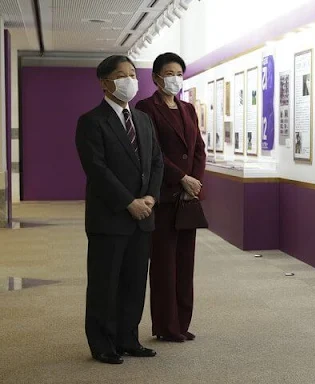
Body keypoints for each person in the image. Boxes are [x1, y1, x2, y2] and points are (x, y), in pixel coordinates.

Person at [75, 55, 164, 364]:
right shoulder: (91, 121)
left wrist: (150, 198)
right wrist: (129, 202)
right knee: (105, 283)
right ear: (105, 82)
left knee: (134, 282)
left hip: (143, 218)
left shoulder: (143, 119)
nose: (130, 80)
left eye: (132, 74)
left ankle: (129, 339)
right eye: (122, 75)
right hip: (110, 217)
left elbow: (156, 162)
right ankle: (102, 343)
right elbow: (97, 170)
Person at [136, 52, 206, 343]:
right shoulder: (145, 108)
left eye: (179, 73)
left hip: (188, 198)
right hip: (164, 195)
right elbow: (152, 152)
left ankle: (182, 323)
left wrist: (196, 180)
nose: (174, 78)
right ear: (155, 77)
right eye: (169, 73)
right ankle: (166, 326)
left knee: (185, 263)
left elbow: (198, 148)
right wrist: (181, 178)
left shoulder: (188, 109)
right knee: (165, 264)